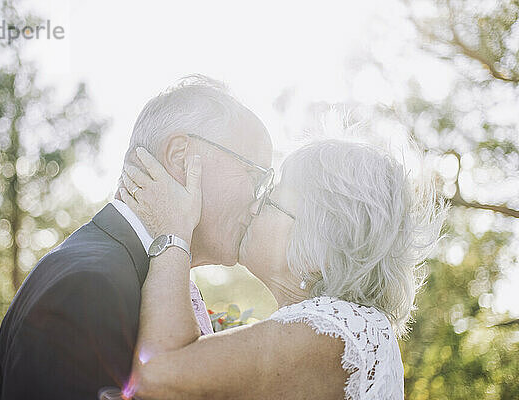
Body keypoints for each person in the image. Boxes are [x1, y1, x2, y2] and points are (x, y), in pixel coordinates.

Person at [0, 75, 272, 399]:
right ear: (180, 158)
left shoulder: (135, 276)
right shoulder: (88, 287)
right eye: (253, 174)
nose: (257, 201)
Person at [110, 137, 447, 400]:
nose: (255, 205)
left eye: (272, 197)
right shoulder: (338, 331)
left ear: (320, 247)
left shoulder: (338, 330)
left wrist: (173, 232)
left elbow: (157, 378)